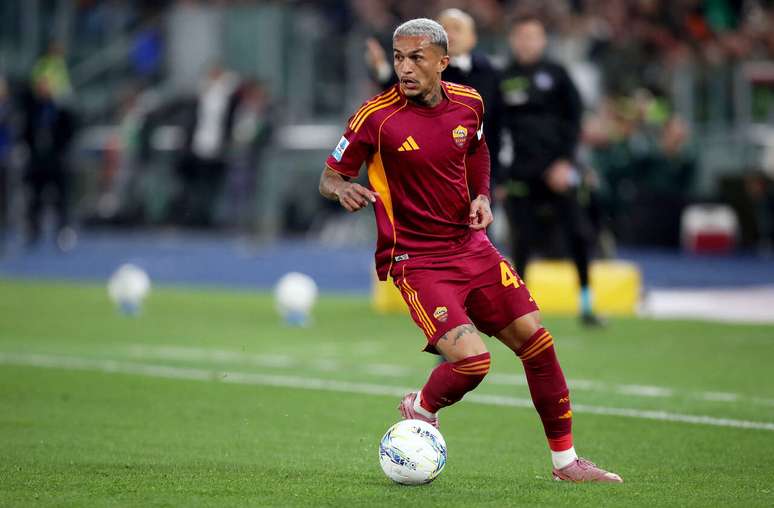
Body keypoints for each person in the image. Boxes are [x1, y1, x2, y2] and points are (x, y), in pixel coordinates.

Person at [319, 18, 621, 483]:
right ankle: (421, 405)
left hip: (472, 248)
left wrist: (481, 195)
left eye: (417, 57)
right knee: (474, 362)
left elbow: (477, 152)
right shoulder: (375, 117)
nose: (405, 67)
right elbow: (331, 174)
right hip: (417, 260)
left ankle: (566, 464)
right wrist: (341, 190)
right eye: (399, 57)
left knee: (538, 344)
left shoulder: (470, 103)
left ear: (444, 62)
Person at [496, 15, 602, 326]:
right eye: (522, 36)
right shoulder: (502, 78)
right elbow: (496, 130)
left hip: (558, 171)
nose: (527, 42)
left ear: (543, 41)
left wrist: (566, 162)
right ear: (513, 40)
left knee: (578, 234)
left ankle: (586, 304)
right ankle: (520, 311)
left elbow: (575, 120)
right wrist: (500, 177)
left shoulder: (557, 74)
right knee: (522, 241)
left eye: (533, 36)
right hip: (519, 174)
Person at [21, 75, 77, 248]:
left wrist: (60, 150)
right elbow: (26, 132)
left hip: (56, 161)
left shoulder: (59, 109)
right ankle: (33, 232)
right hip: (37, 161)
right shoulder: (33, 110)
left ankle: (62, 232)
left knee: (61, 199)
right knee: (35, 199)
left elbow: (69, 131)